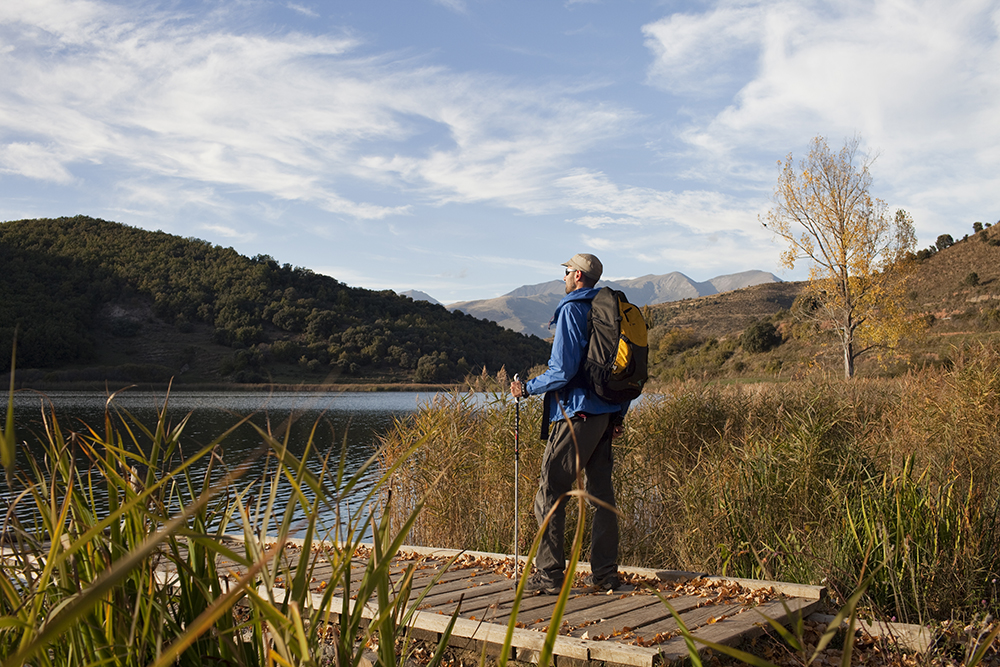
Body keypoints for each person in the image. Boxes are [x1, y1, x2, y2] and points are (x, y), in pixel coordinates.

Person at [509, 253, 629, 594]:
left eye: (565, 271)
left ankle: (549, 576)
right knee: (601, 496)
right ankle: (606, 575)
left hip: (576, 415)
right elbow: (626, 368)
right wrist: (617, 414)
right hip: (605, 415)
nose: (563, 276)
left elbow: (562, 370)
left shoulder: (573, 309)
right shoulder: (613, 311)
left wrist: (526, 388)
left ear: (576, 275)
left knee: (550, 492)